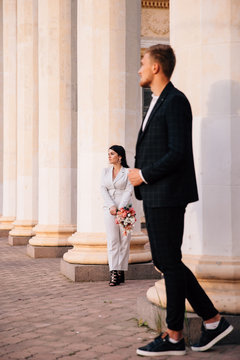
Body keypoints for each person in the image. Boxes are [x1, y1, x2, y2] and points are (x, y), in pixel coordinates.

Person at [128, 44, 233, 356]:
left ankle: (174, 336)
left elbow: (178, 153)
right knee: (166, 261)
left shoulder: (174, 101)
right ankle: (213, 321)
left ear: (157, 67)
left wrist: (143, 174)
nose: (139, 68)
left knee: (168, 262)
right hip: (157, 193)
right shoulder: (159, 101)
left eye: (142, 62)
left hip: (167, 193)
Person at [101, 145, 133, 286]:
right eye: (108, 154)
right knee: (113, 240)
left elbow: (128, 190)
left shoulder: (128, 172)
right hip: (109, 209)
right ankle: (113, 271)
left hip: (125, 209)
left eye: (112, 154)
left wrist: (120, 209)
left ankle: (121, 270)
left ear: (120, 156)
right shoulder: (105, 171)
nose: (109, 156)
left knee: (124, 241)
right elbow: (102, 189)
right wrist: (111, 206)